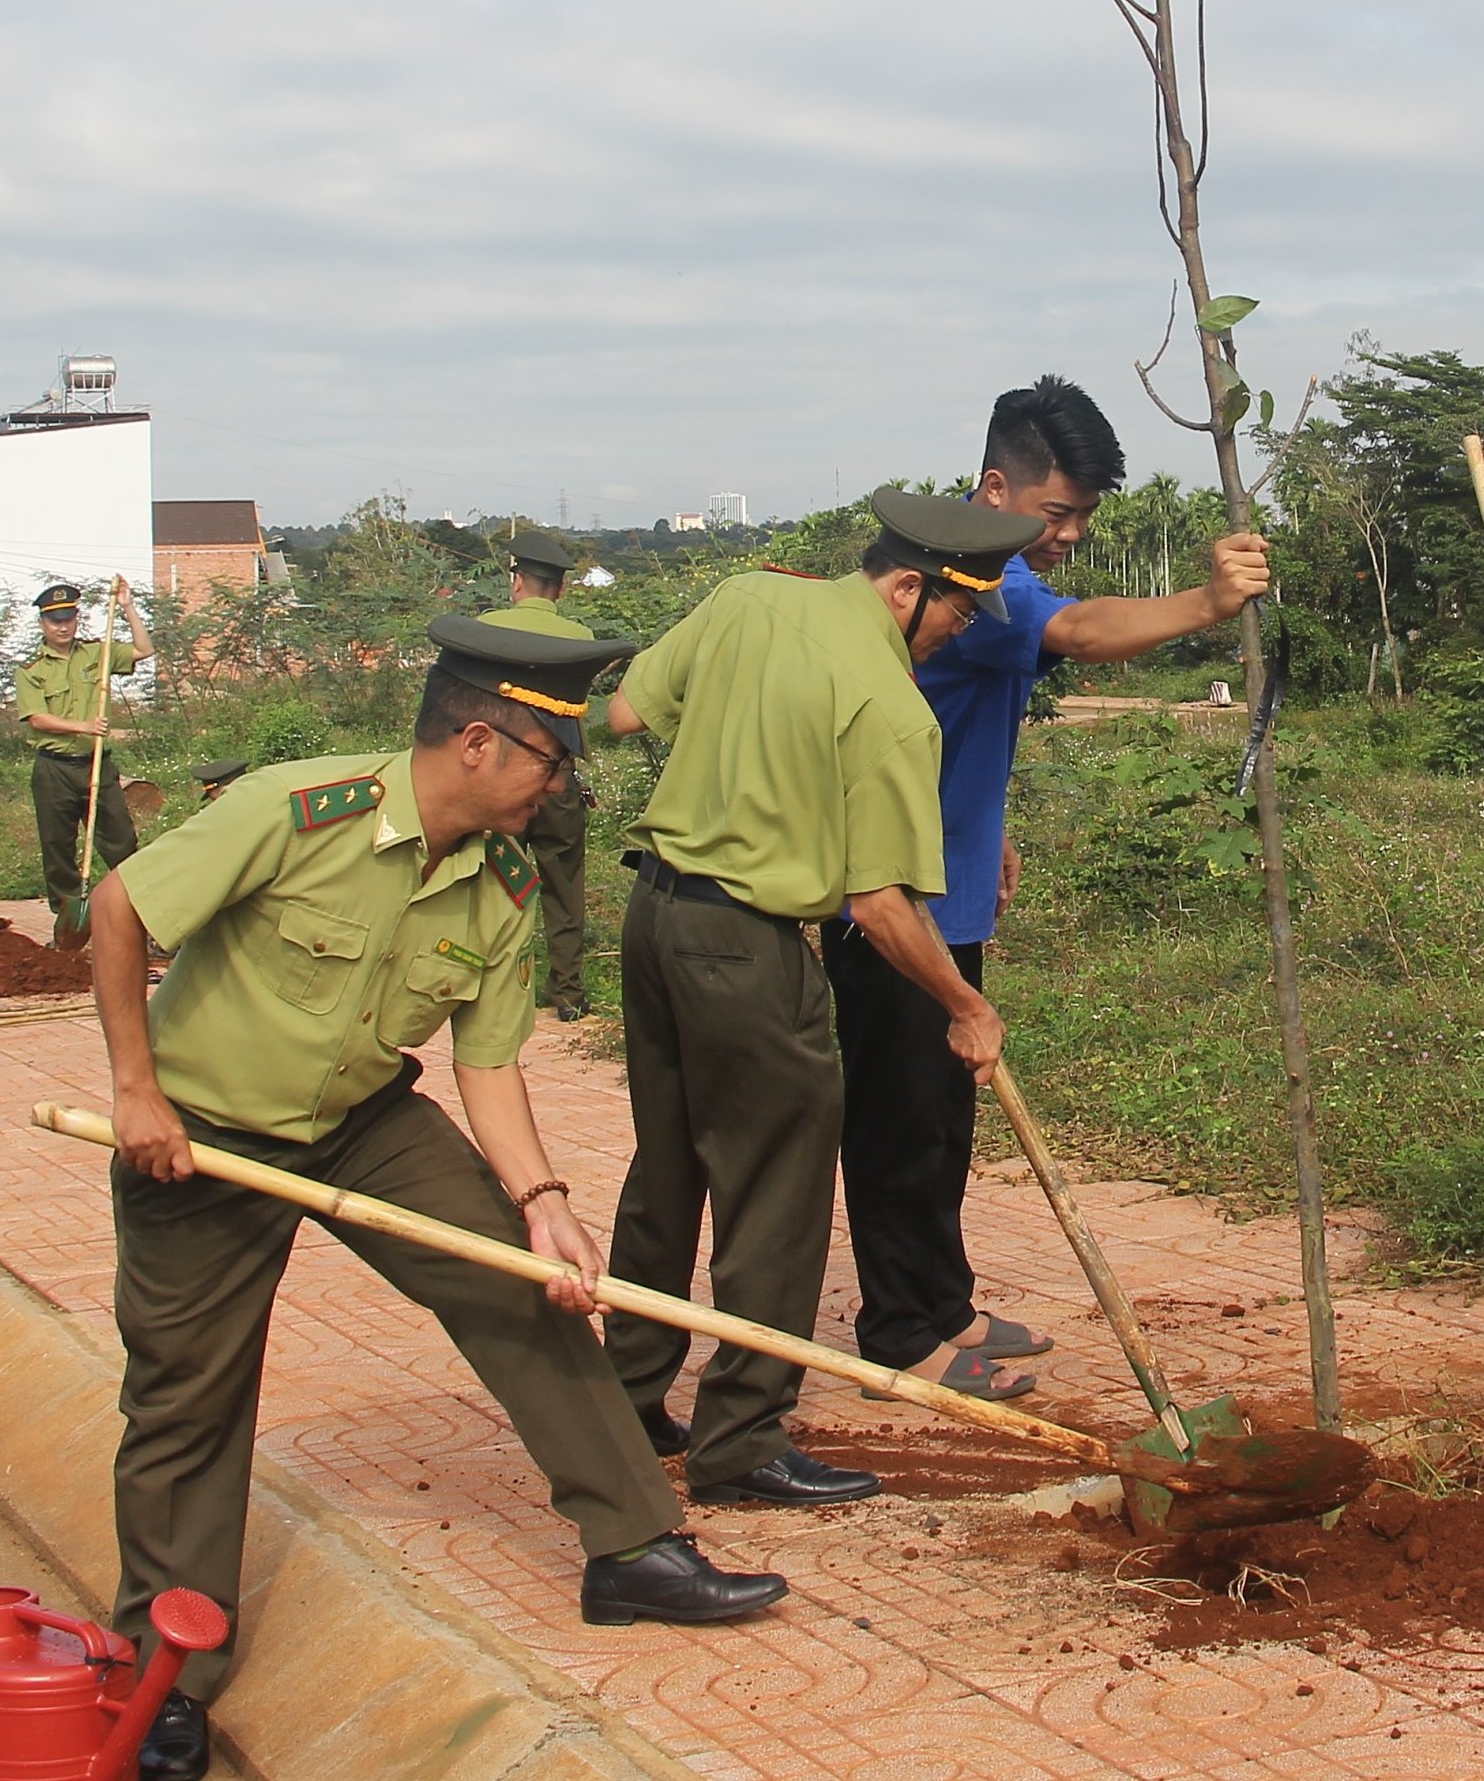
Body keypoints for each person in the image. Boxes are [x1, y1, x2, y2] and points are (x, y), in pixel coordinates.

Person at [88, 614, 788, 1781]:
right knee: (185, 1399)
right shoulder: (295, 810)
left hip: (362, 1122)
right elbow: (121, 908)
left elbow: (487, 1060)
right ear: (478, 742)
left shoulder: (504, 883)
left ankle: (635, 1549)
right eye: (552, 762)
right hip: (201, 1136)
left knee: (528, 1290)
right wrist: (135, 1092)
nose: (562, 787)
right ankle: (163, 1667)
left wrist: (543, 1198)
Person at [601, 487, 1039, 1505]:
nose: (957, 636)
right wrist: (965, 1007)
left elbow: (624, 712)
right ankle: (741, 1440)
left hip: (655, 919)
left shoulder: (748, 594)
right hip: (747, 950)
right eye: (957, 613)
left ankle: (624, 1398)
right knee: (777, 1194)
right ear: (903, 589)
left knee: (666, 1174)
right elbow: (881, 907)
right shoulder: (891, 710)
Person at [844, 376, 1270, 1395]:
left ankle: (945, 1304)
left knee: (945, 1115)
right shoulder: (973, 581)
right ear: (997, 487)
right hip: (891, 898)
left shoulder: (990, 570)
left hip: (951, 881)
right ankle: (902, 1333)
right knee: (902, 1119)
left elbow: (965, 716)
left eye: (1083, 514)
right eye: (1058, 511)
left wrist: (991, 827)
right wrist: (1212, 602)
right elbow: (1081, 631)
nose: (1071, 533)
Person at [481, 526, 601, 1021]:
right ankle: (568, 994)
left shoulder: (487, 627)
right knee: (563, 886)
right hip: (557, 779)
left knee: (493, 887)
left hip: (497, 781)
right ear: (561, 589)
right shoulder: (581, 637)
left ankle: (494, 994)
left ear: (516, 581)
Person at [17, 579, 150, 935]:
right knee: (57, 846)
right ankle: (70, 926)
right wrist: (84, 726)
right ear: (43, 625)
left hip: (97, 766)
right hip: (54, 769)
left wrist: (127, 607)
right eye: (55, 621)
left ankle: (138, 916)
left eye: (68, 619)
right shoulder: (31, 671)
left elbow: (143, 650)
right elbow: (37, 718)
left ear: (77, 620)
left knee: (121, 840)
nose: (62, 627)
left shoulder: (97, 654)